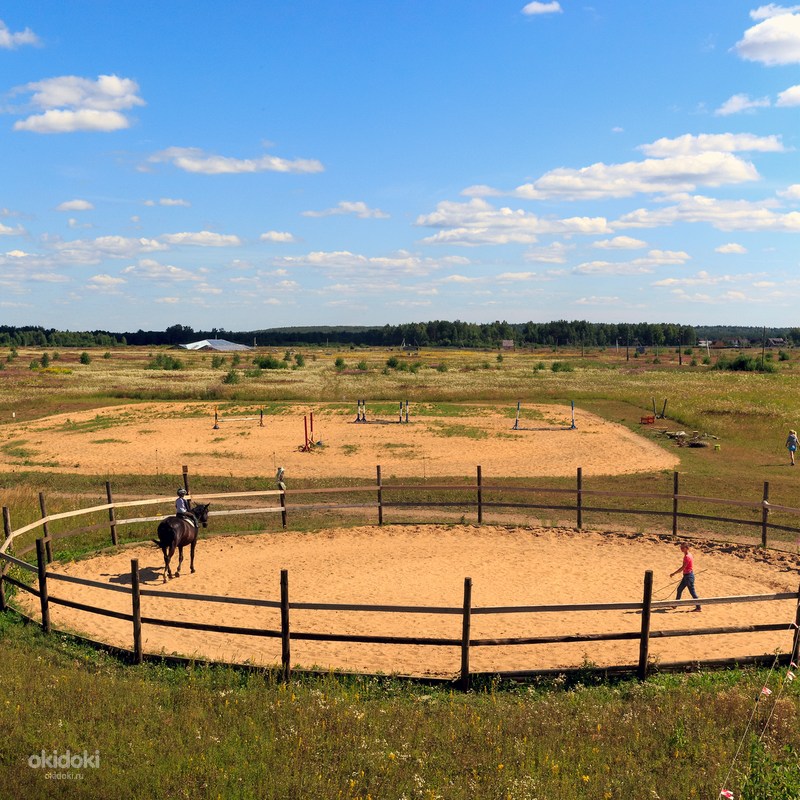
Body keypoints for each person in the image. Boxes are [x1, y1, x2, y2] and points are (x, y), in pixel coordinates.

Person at [670, 542, 701, 611]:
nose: (681, 549)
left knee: (692, 592)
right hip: (687, 576)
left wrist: (674, 573)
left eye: (682, 548)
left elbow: (683, 568)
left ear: (687, 548)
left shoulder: (687, 557)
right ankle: (676, 604)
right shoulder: (689, 554)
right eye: (681, 547)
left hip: (688, 577)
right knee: (679, 589)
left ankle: (698, 607)